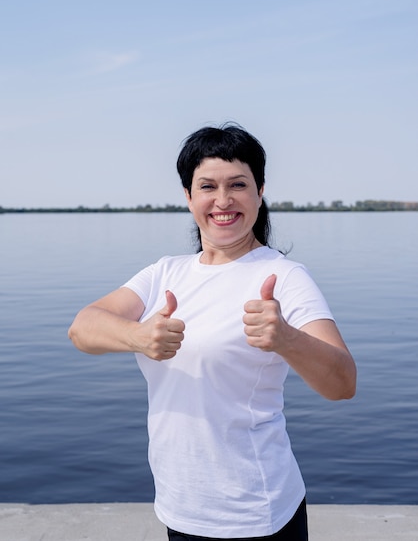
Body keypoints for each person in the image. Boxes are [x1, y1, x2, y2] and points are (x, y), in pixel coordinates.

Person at [68, 123, 356, 541]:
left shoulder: (285, 277)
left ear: (260, 191)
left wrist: (287, 339)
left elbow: (343, 383)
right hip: (179, 506)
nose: (223, 201)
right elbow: (82, 329)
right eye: (207, 186)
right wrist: (139, 336)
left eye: (238, 184)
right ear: (188, 197)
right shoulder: (164, 273)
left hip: (257, 513)